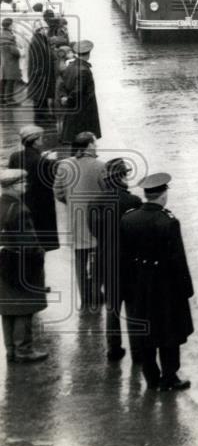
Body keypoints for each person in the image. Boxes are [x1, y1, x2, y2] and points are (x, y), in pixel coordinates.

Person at [121, 172, 194, 391]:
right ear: (163, 195)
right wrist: (186, 289)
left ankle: (151, 377)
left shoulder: (128, 218)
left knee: (146, 332)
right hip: (165, 286)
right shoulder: (168, 222)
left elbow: (123, 257)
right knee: (169, 332)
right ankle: (170, 376)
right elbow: (178, 260)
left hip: (138, 285)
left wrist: (125, 287)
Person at [92, 158, 143, 361]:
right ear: (122, 176)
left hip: (106, 261)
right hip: (130, 263)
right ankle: (138, 351)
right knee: (133, 309)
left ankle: (114, 348)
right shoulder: (134, 202)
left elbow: (94, 231)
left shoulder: (96, 203)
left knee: (112, 308)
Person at [0, 168, 49, 363]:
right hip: (21, 264)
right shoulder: (20, 210)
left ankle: (11, 349)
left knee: (7, 307)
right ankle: (24, 349)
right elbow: (30, 243)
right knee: (24, 305)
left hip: (2, 261)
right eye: (23, 183)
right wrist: (40, 254)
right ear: (13, 186)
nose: (26, 185)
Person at [54, 131, 106, 308]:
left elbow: (58, 192)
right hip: (97, 220)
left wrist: (70, 202)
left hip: (75, 219)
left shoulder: (64, 166)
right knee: (99, 257)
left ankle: (84, 296)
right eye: (94, 143)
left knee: (80, 258)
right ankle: (96, 292)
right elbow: (108, 194)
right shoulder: (101, 166)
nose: (96, 145)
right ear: (89, 145)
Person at [7, 125, 59, 253]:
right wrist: (52, 162)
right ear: (35, 141)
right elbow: (52, 182)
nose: (43, 140)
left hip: (22, 204)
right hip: (42, 209)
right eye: (41, 138)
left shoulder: (15, 156)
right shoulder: (44, 162)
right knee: (42, 247)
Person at [57, 39, 101, 143]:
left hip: (72, 110)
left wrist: (63, 97)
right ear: (89, 53)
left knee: (75, 141)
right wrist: (69, 100)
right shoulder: (84, 70)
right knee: (84, 140)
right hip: (83, 111)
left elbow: (61, 84)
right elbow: (78, 91)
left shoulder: (70, 67)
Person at [27, 11, 59, 124]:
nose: (47, 30)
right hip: (40, 77)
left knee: (42, 99)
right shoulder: (37, 42)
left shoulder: (40, 40)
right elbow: (37, 62)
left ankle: (43, 118)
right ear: (39, 30)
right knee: (39, 99)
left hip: (43, 76)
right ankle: (40, 120)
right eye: (45, 29)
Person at [1, 18, 21, 105]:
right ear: (9, 26)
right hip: (11, 60)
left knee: (4, 80)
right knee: (10, 80)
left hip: (4, 60)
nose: (13, 26)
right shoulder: (9, 36)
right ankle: (9, 100)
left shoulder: (2, 34)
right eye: (12, 25)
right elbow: (14, 50)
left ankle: (2, 99)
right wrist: (19, 52)